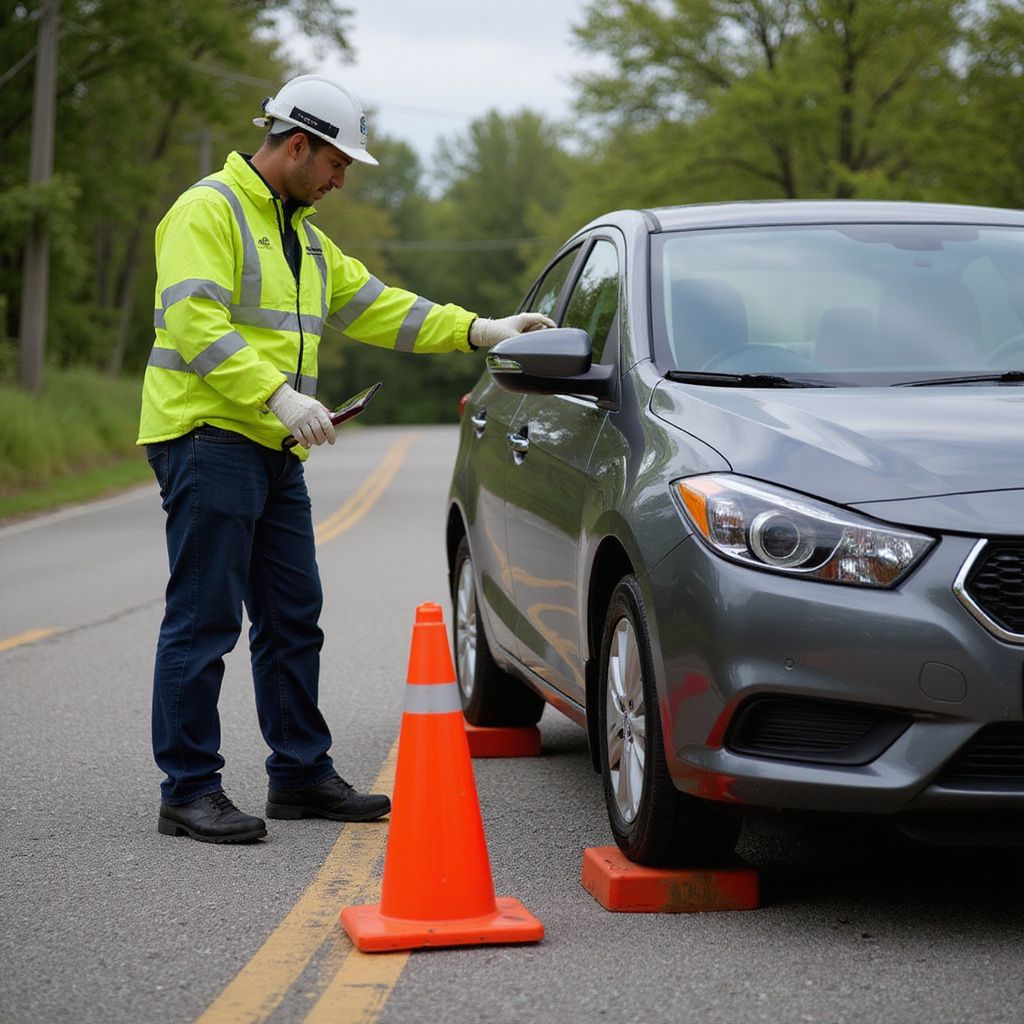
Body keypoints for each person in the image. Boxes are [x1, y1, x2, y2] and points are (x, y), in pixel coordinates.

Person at [137, 74, 555, 844]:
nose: (340, 179)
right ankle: (188, 789)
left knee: (293, 616)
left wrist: (483, 330)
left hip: (270, 444)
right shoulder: (209, 210)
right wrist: (278, 395)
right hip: (207, 435)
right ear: (298, 145)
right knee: (205, 621)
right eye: (337, 165)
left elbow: (381, 307)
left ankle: (298, 773)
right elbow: (193, 323)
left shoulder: (302, 235)